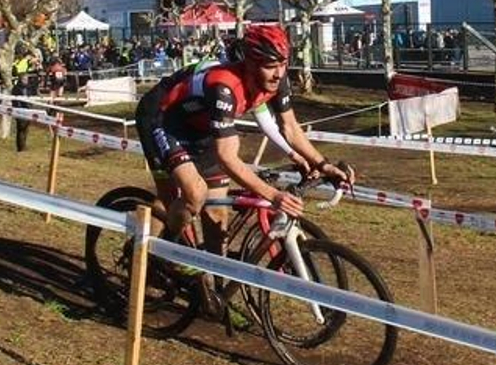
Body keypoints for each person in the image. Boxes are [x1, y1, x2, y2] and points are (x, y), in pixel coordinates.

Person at [134, 23, 354, 312]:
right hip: (164, 121)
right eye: (270, 66)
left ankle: (213, 293)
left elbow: (290, 128)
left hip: (200, 129)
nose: (278, 73)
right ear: (250, 64)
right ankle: (165, 251)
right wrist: (273, 196)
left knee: (217, 214)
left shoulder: (277, 78)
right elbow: (228, 157)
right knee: (194, 194)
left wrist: (323, 165)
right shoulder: (224, 86)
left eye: (283, 65)